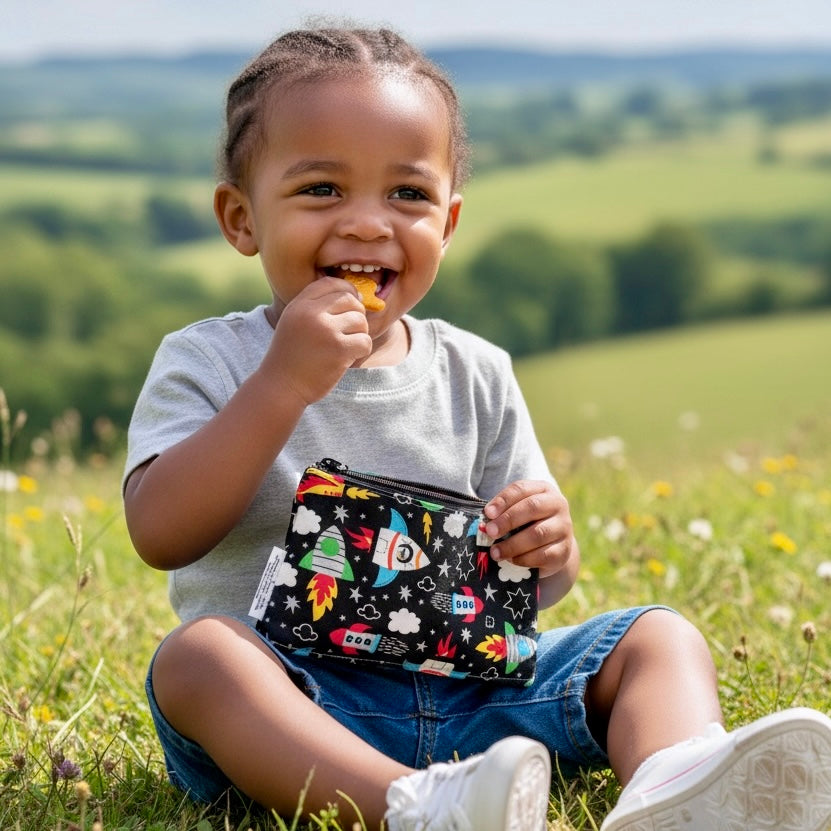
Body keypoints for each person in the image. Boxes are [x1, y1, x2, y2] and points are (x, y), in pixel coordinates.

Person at [122, 25, 831, 831]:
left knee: (658, 636)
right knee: (197, 658)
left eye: (407, 194)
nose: (366, 224)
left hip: (469, 692)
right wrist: (280, 384)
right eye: (321, 190)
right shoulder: (211, 359)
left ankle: (673, 786)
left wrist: (546, 550)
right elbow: (161, 530)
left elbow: (529, 588)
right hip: (294, 713)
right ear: (240, 218)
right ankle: (411, 807)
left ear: (449, 222)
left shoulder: (475, 372)